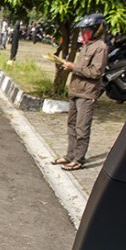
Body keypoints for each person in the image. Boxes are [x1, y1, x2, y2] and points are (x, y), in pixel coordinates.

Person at [51, 13, 109, 171]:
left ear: (96, 30)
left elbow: (96, 72)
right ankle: (70, 155)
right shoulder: (87, 46)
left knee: (82, 128)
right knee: (71, 125)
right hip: (76, 91)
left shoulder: (100, 48)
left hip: (87, 93)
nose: (83, 33)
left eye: (86, 30)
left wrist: (73, 67)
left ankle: (78, 159)